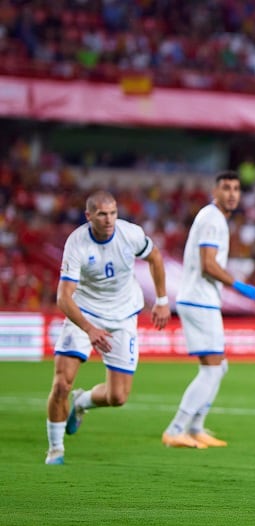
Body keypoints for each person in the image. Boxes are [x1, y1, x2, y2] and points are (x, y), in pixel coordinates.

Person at [45, 190, 171, 465]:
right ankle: (55, 450)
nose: (109, 219)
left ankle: (81, 403)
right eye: (102, 214)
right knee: (62, 384)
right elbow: (63, 298)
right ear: (89, 216)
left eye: (113, 212)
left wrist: (162, 300)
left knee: (117, 397)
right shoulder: (77, 243)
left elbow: (156, 257)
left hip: (122, 316)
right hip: (84, 313)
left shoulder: (131, 234)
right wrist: (89, 329)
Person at [162, 170, 255, 449]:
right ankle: (175, 429)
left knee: (219, 367)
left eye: (236, 189)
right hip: (199, 299)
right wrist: (238, 286)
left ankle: (195, 427)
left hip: (202, 299)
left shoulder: (214, 219)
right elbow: (208, 263)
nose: (231, 193)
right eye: (226, 188)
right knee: (211, 370)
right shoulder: (211, 219)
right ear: (214, 191)